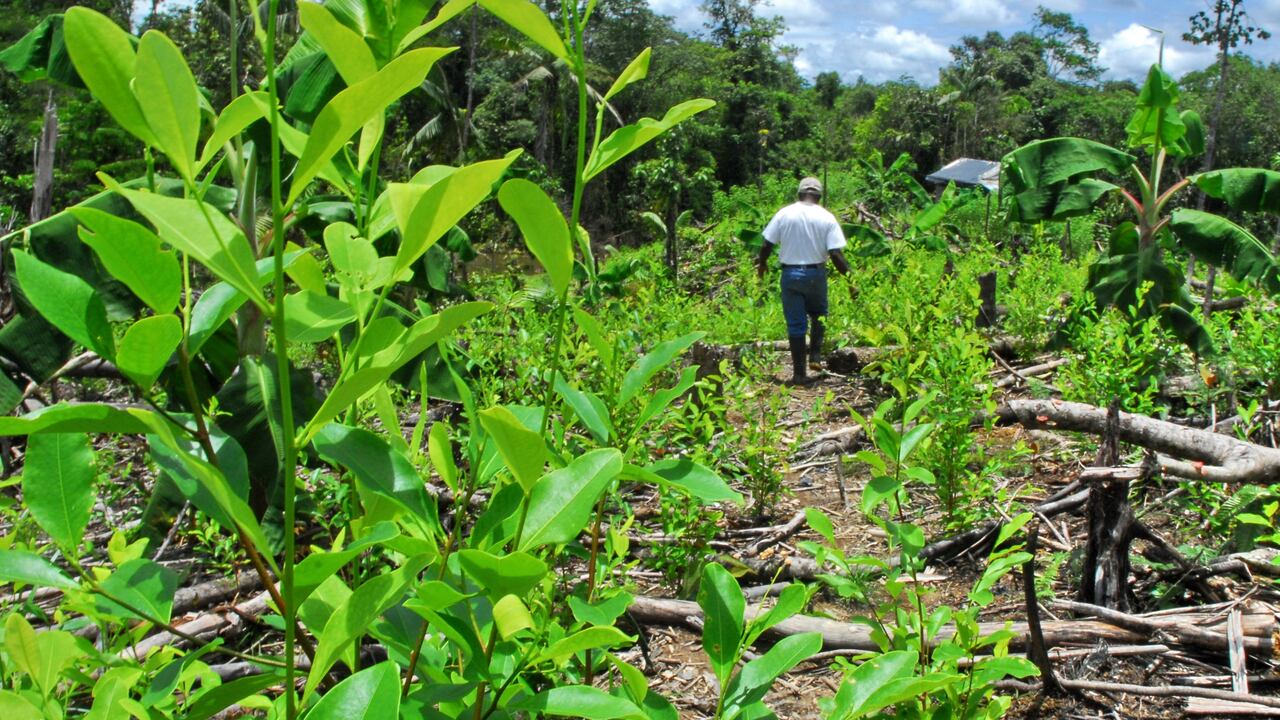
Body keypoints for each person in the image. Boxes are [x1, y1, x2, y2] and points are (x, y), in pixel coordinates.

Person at [755, 176, 852, 386]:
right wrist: (851, 281)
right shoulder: (827, 217)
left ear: (799, 194)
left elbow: (766, 244)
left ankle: (799, 374)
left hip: (790, 275)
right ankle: (815, 356)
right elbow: (836, 254)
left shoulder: (784, 214)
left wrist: (762, 265)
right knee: (819, 315)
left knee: (796, 325)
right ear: (819, 196)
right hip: (815, 274)